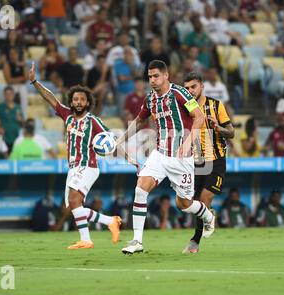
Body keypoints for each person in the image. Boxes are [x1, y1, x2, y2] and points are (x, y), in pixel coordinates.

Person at [115, 60, 215, 255]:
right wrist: (122, 139)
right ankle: (137, 241)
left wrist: (187, 142)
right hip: (159, 154)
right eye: (150, 77)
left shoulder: (180, 93)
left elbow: (199, 117)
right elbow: (139, 120)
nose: (152, 80)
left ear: (166, 75)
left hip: (182, 158)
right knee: (140, 189)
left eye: (156, 76)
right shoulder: (150, 99)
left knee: (184, 205)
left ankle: (208, 216)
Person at [29, 61, 121, 249]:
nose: (78, 102)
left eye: (82, 99)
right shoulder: (67, 116)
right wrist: (35, 82)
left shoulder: (94, 121)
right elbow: (50, 98)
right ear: (71, 101)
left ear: (88, 103)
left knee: (73, 201)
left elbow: (111, 139)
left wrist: (128, 158)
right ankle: (109, 221)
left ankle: (86, 240)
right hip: (74, 167)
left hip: (88, 166)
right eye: (76, 99)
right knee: (74, 206)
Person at [181, 71, 234, 254]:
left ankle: (195, 241)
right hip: (195, 161)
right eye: (186, 88)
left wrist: (218, 128)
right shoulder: (184, 107)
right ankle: (208, 217)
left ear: (202, 86)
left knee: (205, 198)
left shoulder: (216, 105)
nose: (190, 91)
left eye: (193, 86)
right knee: (190, 202)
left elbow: (231, 132)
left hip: (216, 159)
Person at [0, 86, 24, 153]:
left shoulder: (18, 107)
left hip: (16, 137)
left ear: (14, 94)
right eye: (7, 94)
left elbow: (22, 124)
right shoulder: (0, 107)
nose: (9, 96)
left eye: (11, 94)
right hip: (4, 138)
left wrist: (21, 120)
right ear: (4, 95)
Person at [3, 47, 29, 113]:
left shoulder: (23, 64)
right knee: (10, 93)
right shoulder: (7, 65)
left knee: (24, 93)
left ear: (17, 54)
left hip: (21, 86)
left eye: (14, 54)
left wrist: (15, 79)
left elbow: (27, 77)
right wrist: (21, 78)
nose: (12, 55)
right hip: (12, 86)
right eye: (11, 54)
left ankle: (24, 113)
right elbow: (8, 80)